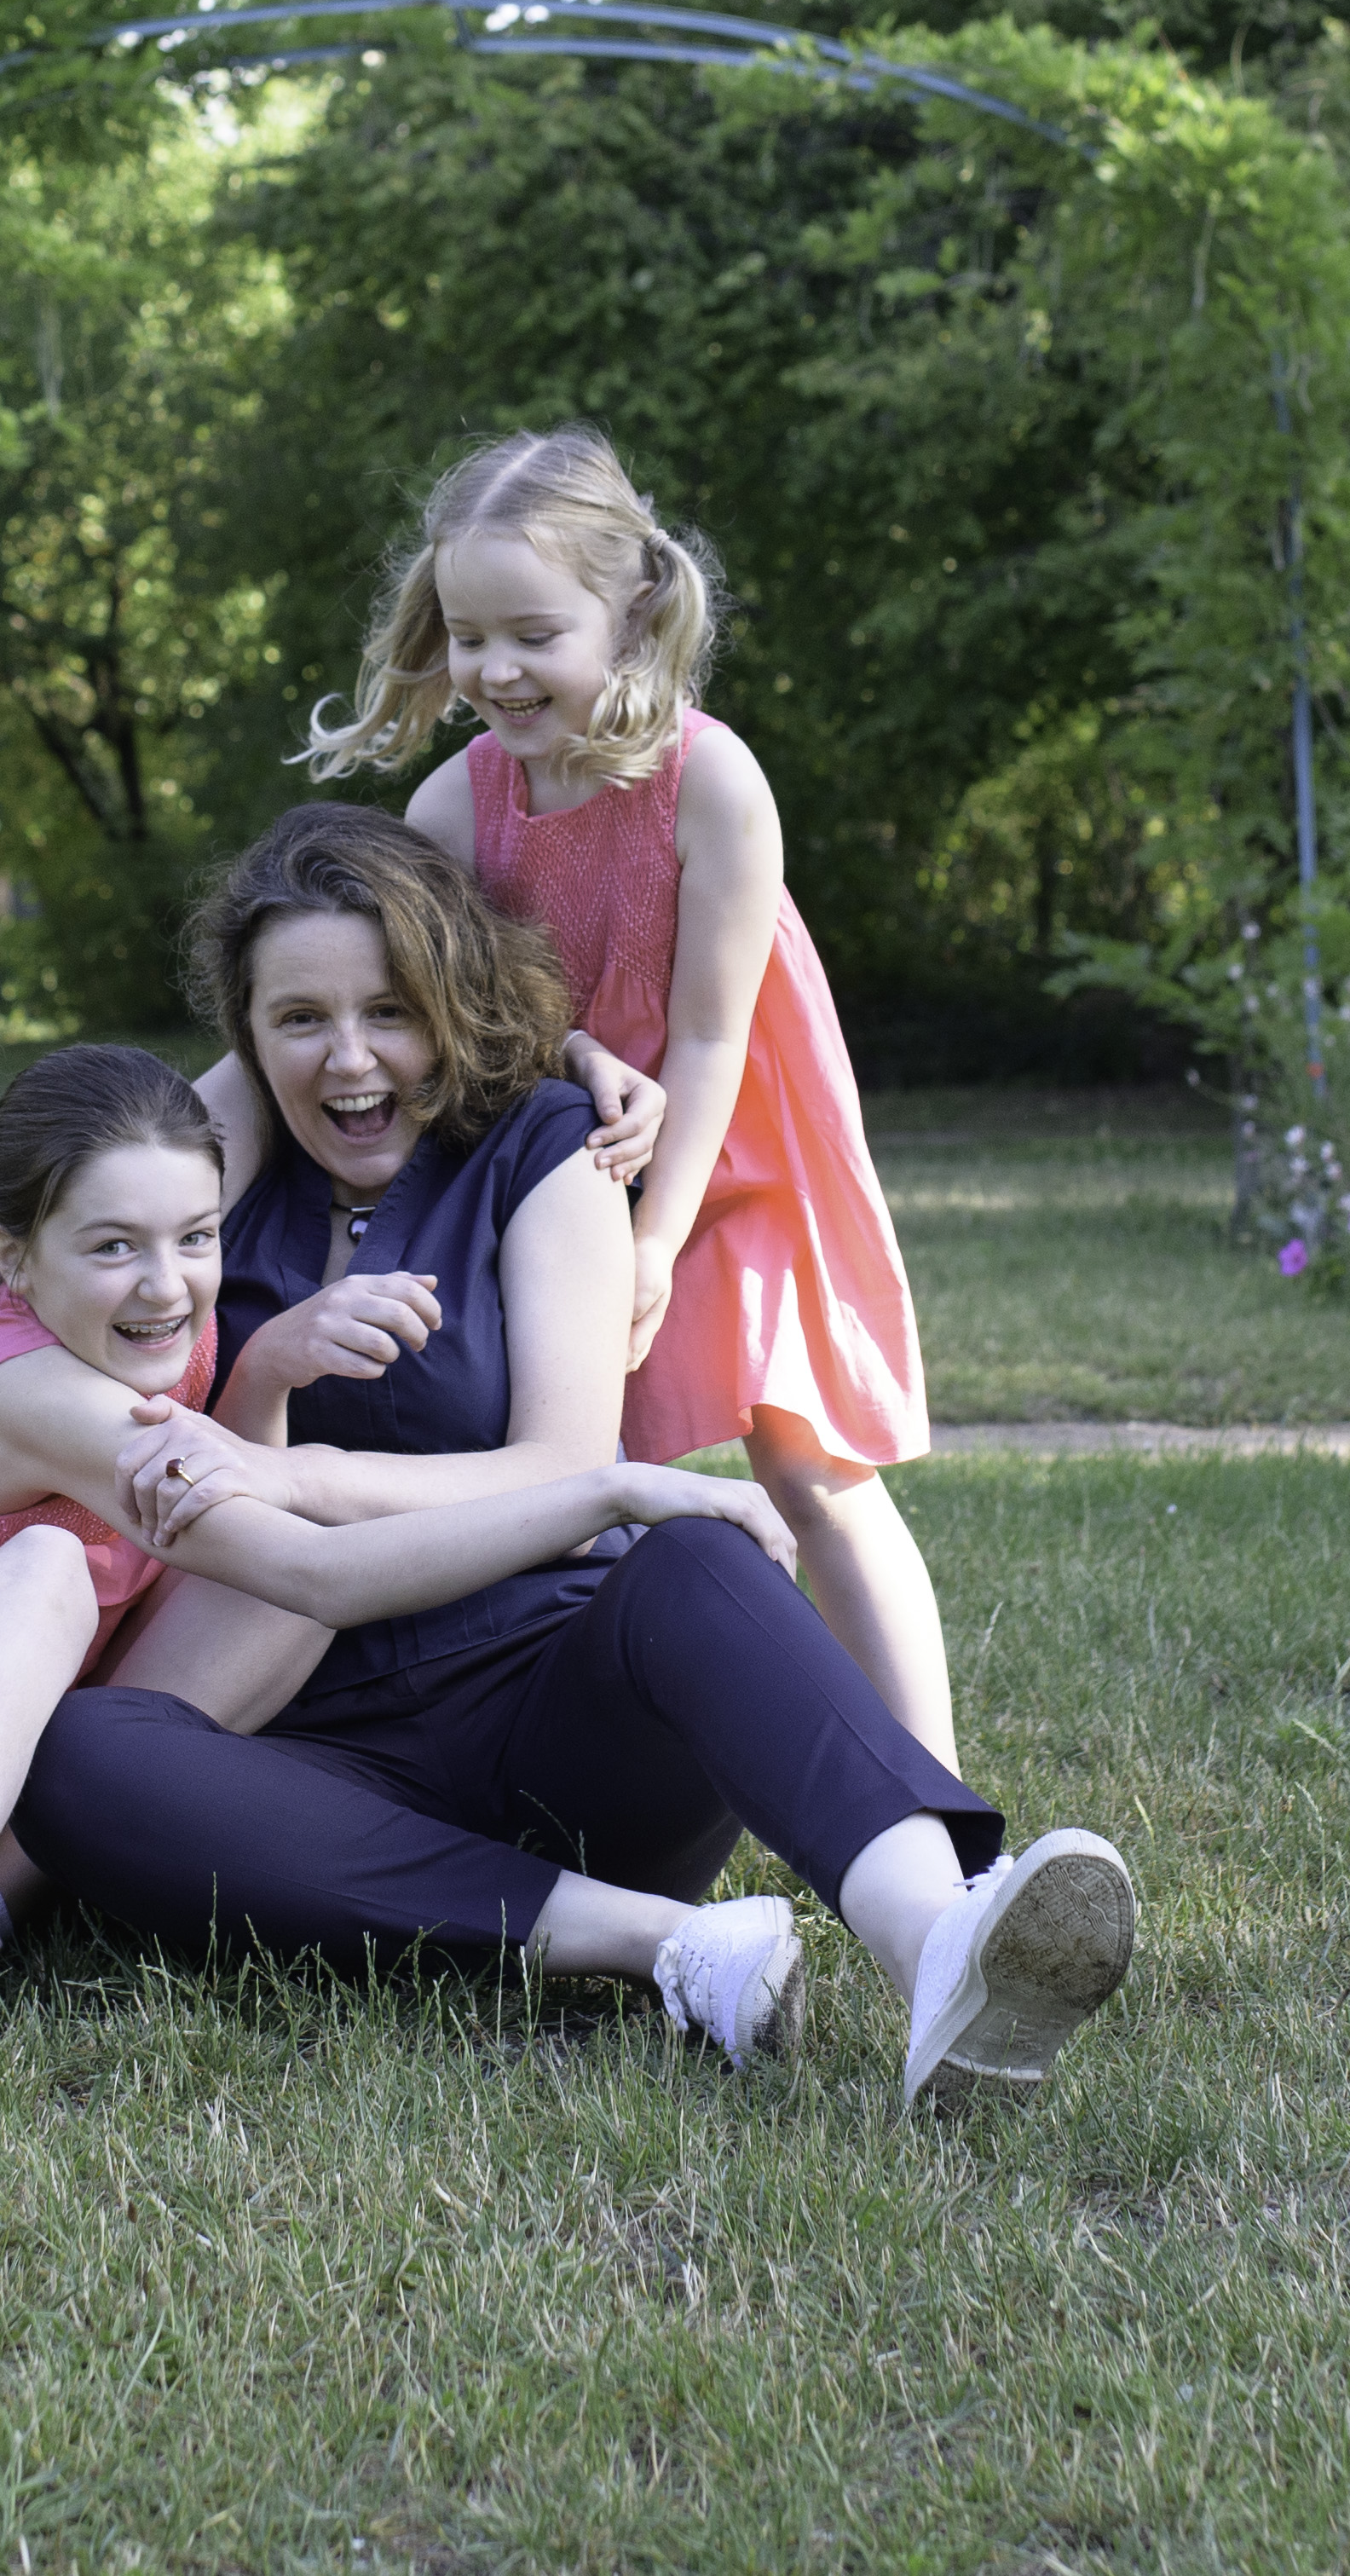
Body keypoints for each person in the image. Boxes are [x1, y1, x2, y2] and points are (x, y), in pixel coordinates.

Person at [27, 806, 1136, 2119]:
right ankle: (638, 1938)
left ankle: (937, 1946)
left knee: (692, 1558)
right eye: (298, 1021)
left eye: (391, 1009)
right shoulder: (204, 1188)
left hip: (560, 1705)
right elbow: (49, 1216)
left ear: (448, 1000)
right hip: (317, 1762)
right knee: (82, 1756)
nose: (348, 1060)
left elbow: (555, 1459)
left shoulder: (546, 1144)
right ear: (245, 1037)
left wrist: (289, 1477)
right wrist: (261, 1378)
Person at [0, 1039, 791, 2087]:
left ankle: (2, 1896)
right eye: (113, 1247)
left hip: (35, 1732)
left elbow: (332, 1003)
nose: (165, 1283)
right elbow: (321, 1578)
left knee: (242, 1562)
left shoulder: (156, 1315)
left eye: (195, 1238)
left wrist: (260, 1376)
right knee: (49, 1569)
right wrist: (601, 1487)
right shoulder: (36, 1388)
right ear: (14, 1254)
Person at [269, 424, 954, 1761]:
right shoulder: (458, 808)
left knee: (807, 1467)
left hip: (733, 1151)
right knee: (559, 1465)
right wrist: (574, 1077)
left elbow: (707, 1038)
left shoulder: (709, 780)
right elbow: (453, 1020)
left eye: (531, 632)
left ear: (630, 611)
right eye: (469, 636)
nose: (494, 670)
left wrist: (656, 1242)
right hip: (554, 1169)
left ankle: (934, 1786)